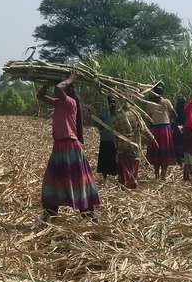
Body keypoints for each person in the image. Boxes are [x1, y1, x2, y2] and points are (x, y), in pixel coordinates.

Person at [37, 73, 100, 220]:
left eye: (65, 86)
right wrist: (47, 82)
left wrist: (71, 78)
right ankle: (50, 212)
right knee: (53, 180)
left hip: (70, 146)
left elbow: (59, 88)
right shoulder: (59, 102)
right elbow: (40, 96)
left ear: (68, 90)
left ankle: (88, 213)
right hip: (59, 146)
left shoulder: (71, 102)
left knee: (78, 180)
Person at [143, 83, 177, 180]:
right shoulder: (166, 102)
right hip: (165, 130)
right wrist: (171, 122)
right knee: (165, 152)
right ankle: (163, 175)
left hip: (155, 130)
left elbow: (148, 118)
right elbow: (174, 114)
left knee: (156, 152)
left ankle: (157, 175)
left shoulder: (150, 104)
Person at [112, 104, 143, 189]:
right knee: (134, 164)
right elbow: (143, 128)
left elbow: (113, 133)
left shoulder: (116, 117)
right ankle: (132, 183)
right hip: (135, 144)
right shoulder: (136, 114)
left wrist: (115, 145)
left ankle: (125, 183)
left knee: (124, 165)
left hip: (122, 145)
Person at [94, 96, 118, 181]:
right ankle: (105, 177)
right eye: (110, 102)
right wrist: (102, 130)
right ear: (108, 104)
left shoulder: (118, 113)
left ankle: (116, 176)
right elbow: (99, 125)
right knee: (104, 158)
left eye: (113, 102)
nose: (112, 104)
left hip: (115, 141)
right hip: (105, 139)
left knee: (115, 158)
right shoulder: (103, 113)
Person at [172, 96, 187, 165]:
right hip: (183, 127)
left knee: (177, 142)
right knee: (182, 142)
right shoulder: (185, 110)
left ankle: (178, 158)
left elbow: (174, 118)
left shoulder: (176, 109)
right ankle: (182, 158)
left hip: (177, 127)